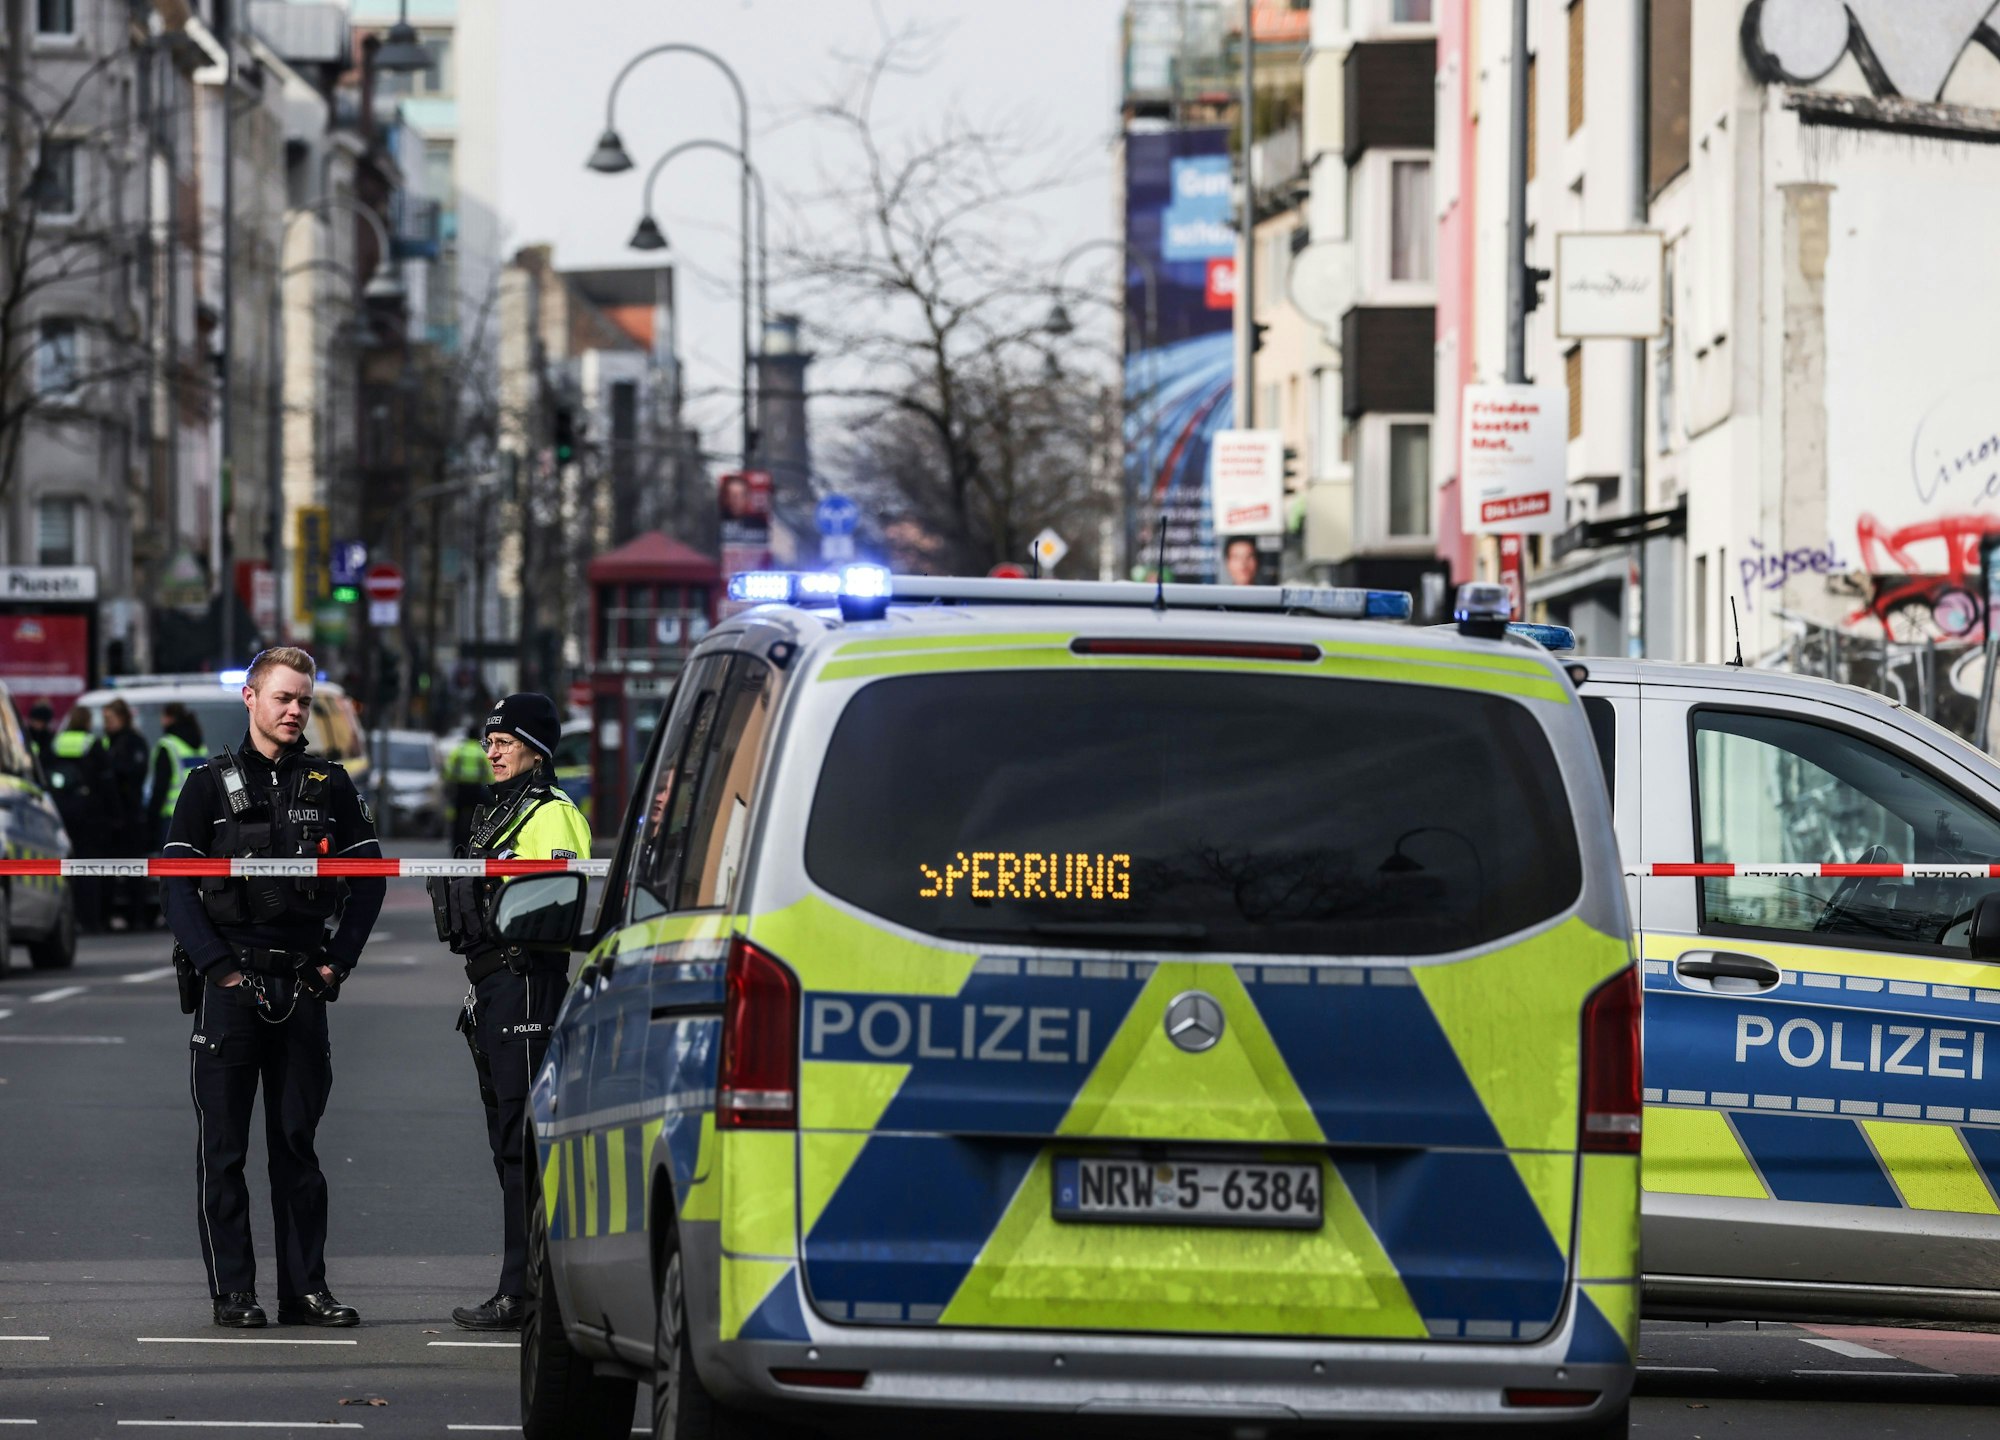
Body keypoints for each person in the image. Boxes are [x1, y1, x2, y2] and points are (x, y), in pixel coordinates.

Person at [160, 647, 386, 1329]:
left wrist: (337, 962)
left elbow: (370, 878)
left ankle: (304, 1290)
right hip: (231, 987)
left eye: (303, 701)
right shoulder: (205, 785)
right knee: (224, 1151)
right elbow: (174, 883)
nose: (294, 711)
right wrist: (214, 965)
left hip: (302, 984)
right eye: (283, 698)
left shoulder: (331, 783)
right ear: (251, 700)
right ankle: (235, 1293)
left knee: (297, 1147)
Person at [432, 692, 589, 1331]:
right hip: (496, 984)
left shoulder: (550, 813)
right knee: (508, 1143)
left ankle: (522, 1293)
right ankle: (530, 1283)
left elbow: (555, 901)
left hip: (526, 980)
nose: (491, 749)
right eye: (488, 739)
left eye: (505, 739)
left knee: (524, 1144)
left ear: (537, 748)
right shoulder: (502, 810)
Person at [96, 698, 152, 927]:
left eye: (110, 719)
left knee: (133, 869)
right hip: (110, 816)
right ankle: (106, 915)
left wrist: (112, 772)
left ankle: (136, 916)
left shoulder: (133, 742)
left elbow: (135, 772)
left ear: (122, 718)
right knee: (107, 870)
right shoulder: (107, 743)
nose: (106, 724)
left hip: (129, 815)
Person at [148, 702, 206, 849]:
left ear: (169, 718)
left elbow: (160, 786)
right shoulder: (199, 744)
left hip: (172, 816)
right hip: (198, 812)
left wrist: (150, 817)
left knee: (171, 865)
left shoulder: (168, 745)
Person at [444, 721, 493, 854]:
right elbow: (488, 774)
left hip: (460, 788)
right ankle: (470, 844)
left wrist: (450, 783)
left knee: (458, 818)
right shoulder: (480, 752)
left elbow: (449, 770)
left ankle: (456, 844)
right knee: (474, 820)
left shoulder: (459, 750)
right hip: (475, 789)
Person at [23, 701, 55, 774]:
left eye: (40, 721)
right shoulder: (26, 734)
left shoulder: (48, 737)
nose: (38, 724)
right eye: (36, 720)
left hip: (43, 771)